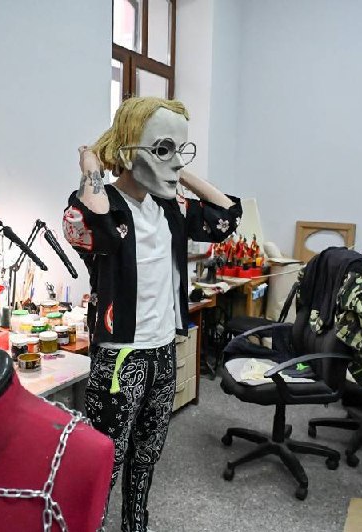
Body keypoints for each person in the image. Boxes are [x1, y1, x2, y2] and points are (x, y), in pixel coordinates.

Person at [62, 96, 241, 532]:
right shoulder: (98, 206)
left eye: (181, 150)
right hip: (121, 358)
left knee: (147, 452)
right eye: (162, 148)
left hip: (162, 349)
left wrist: (177, 170)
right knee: (107, 459)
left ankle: (135, 524)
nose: (175, 161)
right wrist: (91, 164)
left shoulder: (170, 208)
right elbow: (96, 227)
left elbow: (226, 215)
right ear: (127, 151)